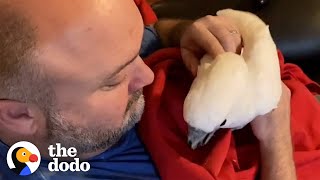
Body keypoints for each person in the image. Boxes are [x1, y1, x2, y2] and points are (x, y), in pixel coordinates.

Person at [0, 0, 296, 179]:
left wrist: (185, 33)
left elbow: (158, 31)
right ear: (19, 115)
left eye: (136, 53)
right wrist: (277, 143)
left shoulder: (91, 45)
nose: (148, 75)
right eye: (113, 81)